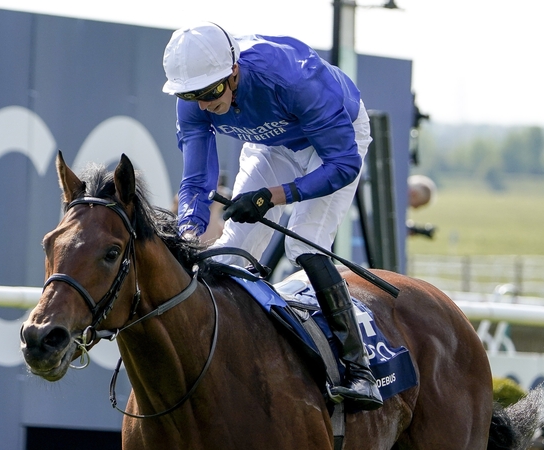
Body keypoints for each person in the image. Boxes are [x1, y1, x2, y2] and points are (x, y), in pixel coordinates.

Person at [162, 22, 382, 410]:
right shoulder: (196, 98)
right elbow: (195, 182)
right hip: (271, 144)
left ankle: (359, 370)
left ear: (233, 72)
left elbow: (343, 164)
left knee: (303, 242)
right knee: (227, 251)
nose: (203, 104)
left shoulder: (292, 79)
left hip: (333, 141)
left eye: (210, 93)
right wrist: (187, 235)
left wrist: (273, 197)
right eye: (189, 95)